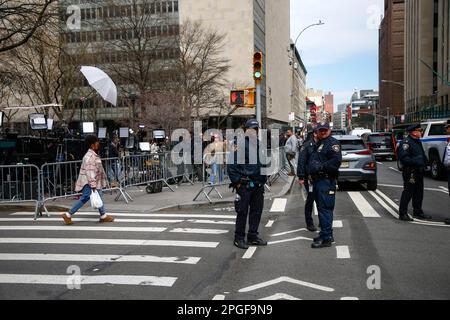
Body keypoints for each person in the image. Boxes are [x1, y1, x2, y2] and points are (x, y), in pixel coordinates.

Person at [228, 119, 268, 250]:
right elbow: (232, 166)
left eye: (256, 129)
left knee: (256, 212)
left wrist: (264, 179)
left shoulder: (259, 144)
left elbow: (262, 163)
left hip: (258, 185)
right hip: (245, 185)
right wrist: (237, 183)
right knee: (242, 212)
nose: (254, 131)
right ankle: (239, 238)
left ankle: (252, 236)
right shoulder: (239, 144)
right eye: (251, 129)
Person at [62, 135, 114, 225]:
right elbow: (90, 172)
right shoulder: (90, 157)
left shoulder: (92, 155)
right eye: (96, 142)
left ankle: (103, 215)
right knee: (85, 197)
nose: (98, 143)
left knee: (98, 196)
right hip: (90, 181)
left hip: (92, 181)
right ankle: (68, 214)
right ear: (92, 144)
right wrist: (93, 185)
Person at [308, 122, 342, 249]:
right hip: (319, 181)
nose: (322, 132)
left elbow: (336, 161)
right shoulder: (321, 142)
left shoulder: (332, 143)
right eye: (320, 130)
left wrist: (321, 167)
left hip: (326, 181)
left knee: (325, 209)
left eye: (325, 130)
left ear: (329, 130)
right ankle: (325, 234)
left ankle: (327, 238)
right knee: (322, 209)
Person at [398, 124, 432, 222]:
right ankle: (403, 213)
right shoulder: (406, 143)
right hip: (411, 171)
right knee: (408, 192)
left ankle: (418, 212)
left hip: (419, 171)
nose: (421, 132)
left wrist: (425, 162)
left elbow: (421, 155)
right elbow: (404, 158)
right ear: (413, 132)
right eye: (419, 130)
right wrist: (417, 161)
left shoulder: (417, 142)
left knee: (419, 193)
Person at [297, 129, 319, 232]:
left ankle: (322, 221)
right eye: (319, 132)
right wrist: (301, 177)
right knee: (310, 200)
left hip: (321, 177)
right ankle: (309, 223)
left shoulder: (323, 144)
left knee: (321, 200)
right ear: (315, 134)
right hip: (309, 178)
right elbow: (301, 161)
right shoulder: (306, 146)